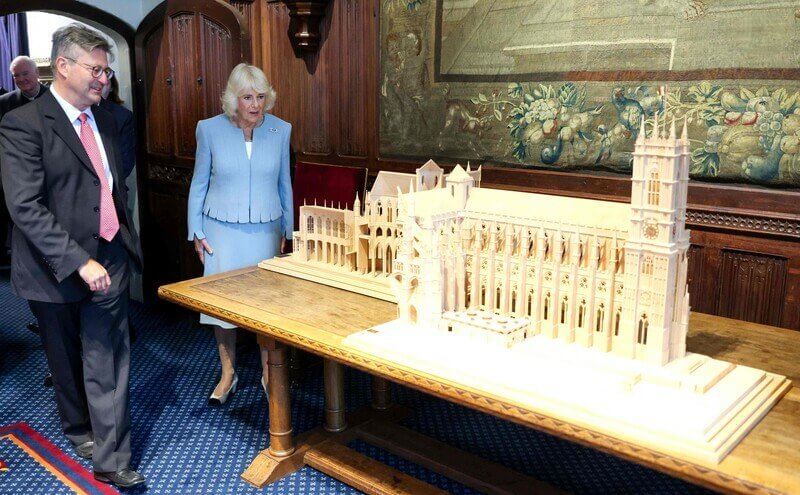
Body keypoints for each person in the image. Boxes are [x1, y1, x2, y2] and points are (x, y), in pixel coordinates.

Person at [0, 24, 145, 489]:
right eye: (95, 68)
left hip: (111, 256)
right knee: (63, 357)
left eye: (107, 70)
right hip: (54, 265)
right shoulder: (22, 123)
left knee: (109, 356)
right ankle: (79, 428)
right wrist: (78, 260)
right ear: (62, 66)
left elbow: (112, 185)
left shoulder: (109, 119)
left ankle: (110, 456)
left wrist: (118, 238)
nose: (104, 78)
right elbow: (24, 205)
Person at [187, 63, 292, 405]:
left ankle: (268, 372)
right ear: (234, 98)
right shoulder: (209, 129)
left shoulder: (281, 130)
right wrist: (196, 231)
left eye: (261, 96)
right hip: (220, 230)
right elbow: (199, 182)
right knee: (222, 307)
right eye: (247, 97)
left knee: (267, 307)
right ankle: (228, 373)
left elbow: (284, 184)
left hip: (265, 228)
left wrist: (288, 229)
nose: (255, 104)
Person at [97, 76, 135, 179]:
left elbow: (126, 161)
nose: (99, 87)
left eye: (104, 84)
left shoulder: (122, 116)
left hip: (111, 186)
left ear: (111, 88)